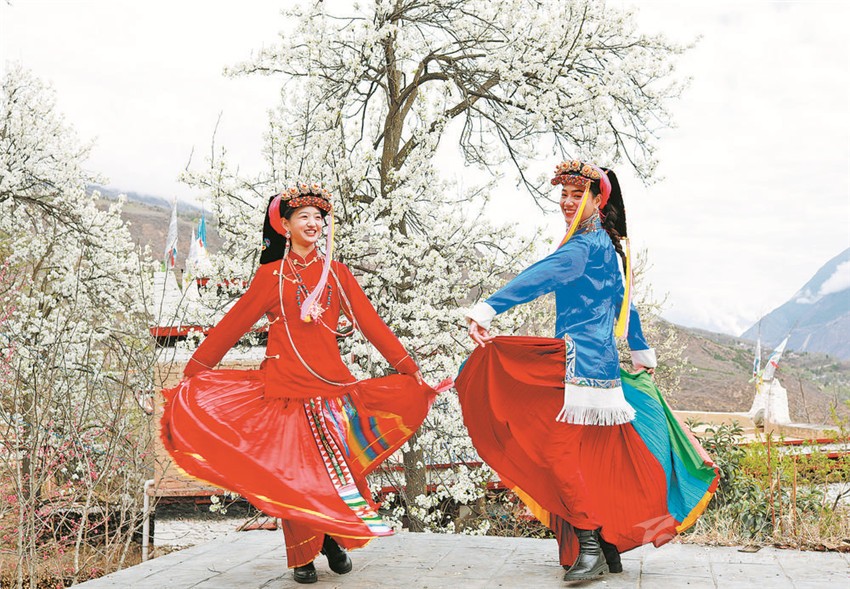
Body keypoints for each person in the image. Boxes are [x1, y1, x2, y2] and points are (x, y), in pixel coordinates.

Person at [161, 183, 448, 584]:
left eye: (318, 218)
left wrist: (406, 366)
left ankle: (331, 539)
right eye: (303, 217)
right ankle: (302, 556)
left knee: (340, 472)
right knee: (294, 475)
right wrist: (196, 368)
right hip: (285, 390)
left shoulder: (337, 274)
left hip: (332, 388)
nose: (313, 223)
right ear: (286, 225)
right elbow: (234, 323)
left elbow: (370, 322)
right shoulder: (272, 275)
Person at [456, 161, 719, 581]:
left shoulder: (582, 247)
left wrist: (487, 308)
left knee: (558, 455)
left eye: (577, 195)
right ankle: (608, 545)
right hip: (598, 364)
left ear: (598, 201)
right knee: (591, 458)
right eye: (563, 194)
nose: (567, 202)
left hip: (579, 365)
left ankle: (591, 544)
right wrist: (639, 350)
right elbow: (623, 301)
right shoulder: (603, 246)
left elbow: (542, 275)